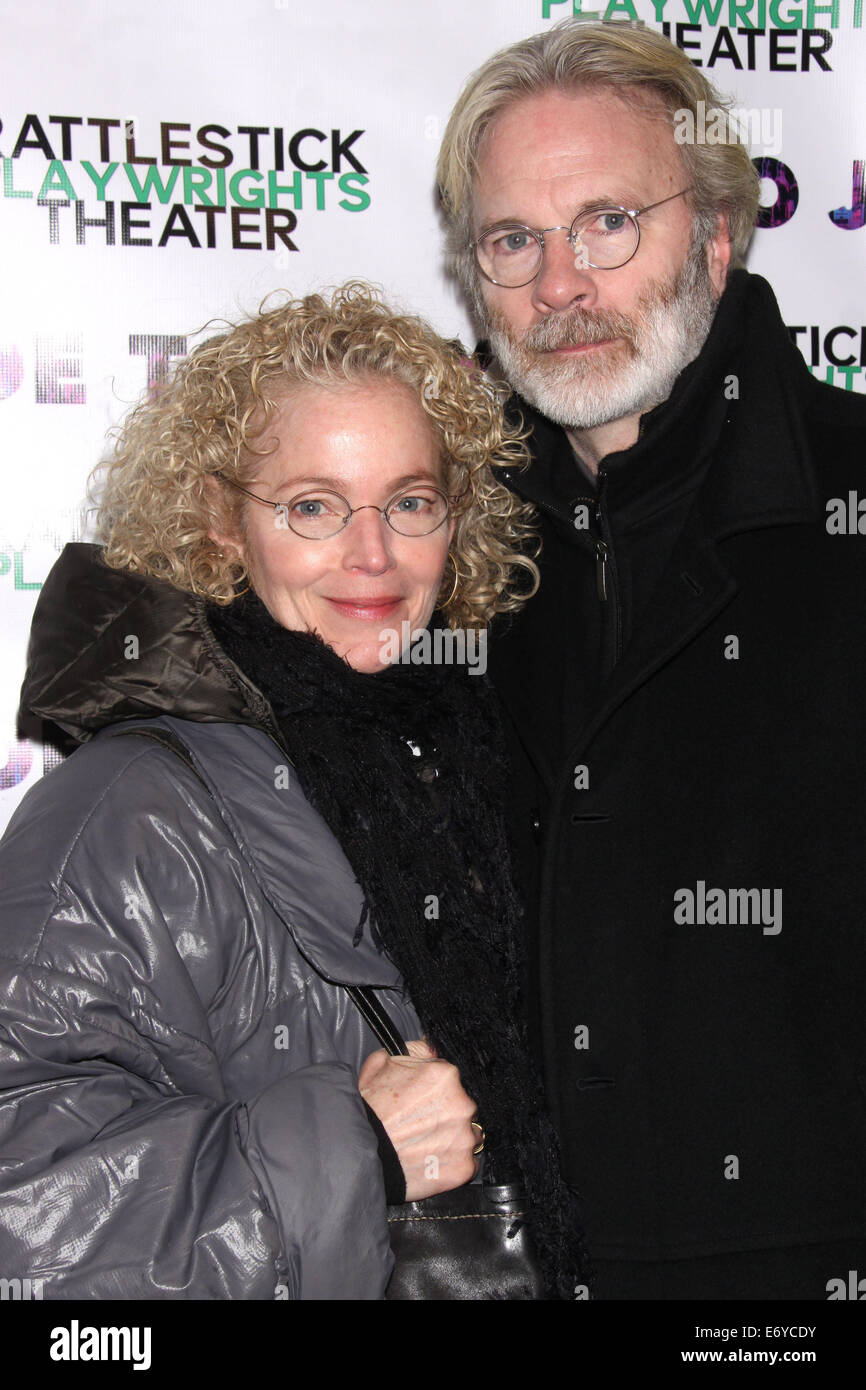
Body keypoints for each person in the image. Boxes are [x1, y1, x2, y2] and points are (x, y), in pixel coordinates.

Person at [0, 282, 585, 1299]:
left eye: (409, 502)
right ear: (223, 525)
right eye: (312, 506)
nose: (372, 554)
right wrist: (355, 1150)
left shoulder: (477, 761)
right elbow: (26, 1232)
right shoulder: (126, 809)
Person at [437, 21, 866, 1300]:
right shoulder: (432, 546)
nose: (558, 285)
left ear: (716, 237)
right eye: (514, 240)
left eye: (607, 222)